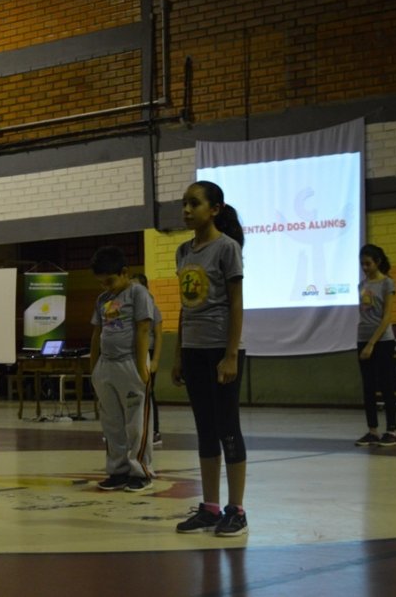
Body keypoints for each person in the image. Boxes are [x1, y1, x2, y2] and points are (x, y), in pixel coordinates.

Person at [173, 180, 248, 537]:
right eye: (184, 204)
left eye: (194, 204)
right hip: (193, 350)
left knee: (227, 428)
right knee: (204, 430)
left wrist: (231, 354)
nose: (187, 210)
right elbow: (184, 307)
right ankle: (210, 507)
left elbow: (235, 303)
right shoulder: (182, 252)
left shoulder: (227, 248)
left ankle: (237, 510)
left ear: (215, 209)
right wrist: (177, 354)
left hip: (221, 349)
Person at [90, 246, 155, 492]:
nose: (106, 286)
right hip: (106, 367)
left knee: (136, 423)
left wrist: (141, 367)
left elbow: (143, 330)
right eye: (101, 283)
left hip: (130, 364)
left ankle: (140, 471)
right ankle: (117, 470)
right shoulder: (102, 299)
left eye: (110, 280)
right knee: (112, 423)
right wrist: (94, 369)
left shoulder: (138, 294)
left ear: (125, 272)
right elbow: (97, 333)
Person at [354, 244, 396, 447]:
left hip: (382, 341)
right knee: (368, 386)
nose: (365, 267)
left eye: (368, 263)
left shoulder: (387, 283)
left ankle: (392, 430)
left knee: (386, 385)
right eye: (362, 263)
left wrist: (372, 343)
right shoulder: (361, 285)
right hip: (362, 338)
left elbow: (387, 316)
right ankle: (372, 430)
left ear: (377, 262)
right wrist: (365, 342)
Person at [132, 273, 163, 446]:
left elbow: (158, 335)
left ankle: (155, 431)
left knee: (148, 392)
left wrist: (156, 360)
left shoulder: (152, 307)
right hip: (133, 353)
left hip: (148, 352)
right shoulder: (129, 308)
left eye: (137, 286)